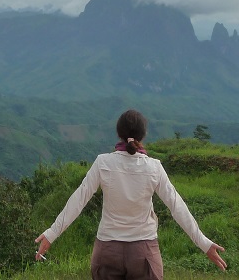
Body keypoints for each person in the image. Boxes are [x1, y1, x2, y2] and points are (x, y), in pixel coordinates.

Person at [34, 109, 227, 280]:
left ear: (119, 133)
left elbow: (79, 199)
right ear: (143, 135)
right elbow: (177, 206)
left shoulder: (103, 163)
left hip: (107, 251)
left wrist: (52, 234)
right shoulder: (154, 167)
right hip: (144, 253)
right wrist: (203, 243)